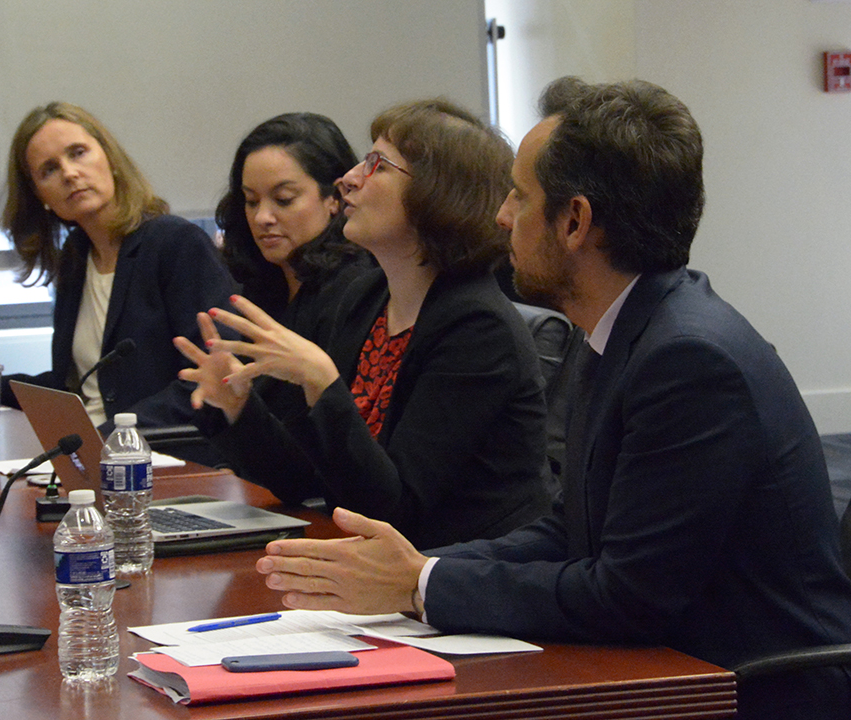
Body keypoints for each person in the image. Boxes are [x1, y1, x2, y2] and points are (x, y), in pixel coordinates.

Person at [253, 78, 851, 718]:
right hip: (667, 669)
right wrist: (413, 568)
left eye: (518, 195)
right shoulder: (629, 328)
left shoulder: (689, 360)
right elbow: (572, 531)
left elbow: (628, 594)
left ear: (574, 222)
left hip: (745, 689)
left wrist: (422, 584)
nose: (502, 215)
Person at [176, 99, 550, 550]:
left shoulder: (477, 327)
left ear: (437, 194)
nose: (349, 178)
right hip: (381, 575)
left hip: (463, 582)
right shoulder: (365, 299)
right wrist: (238, 407)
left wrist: (322, 382)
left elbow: (394, 509)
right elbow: (306, 480)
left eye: (377, 165)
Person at [0, 101, 235, 430]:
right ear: (40, 195)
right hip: (89, 454)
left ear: (109, 159)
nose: (69, 173)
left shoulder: (175, 244)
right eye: (49, 169)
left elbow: (208, 381)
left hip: (165, 457)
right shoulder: (75, 255)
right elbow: (74, 385)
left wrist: (109, 437)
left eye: (78, 153)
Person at [217, 112, 372, 348]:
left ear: (335, 198)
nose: (262, 218)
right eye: (251, 201)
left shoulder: (356, 290)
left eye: (284, 199)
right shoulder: (261, 285)